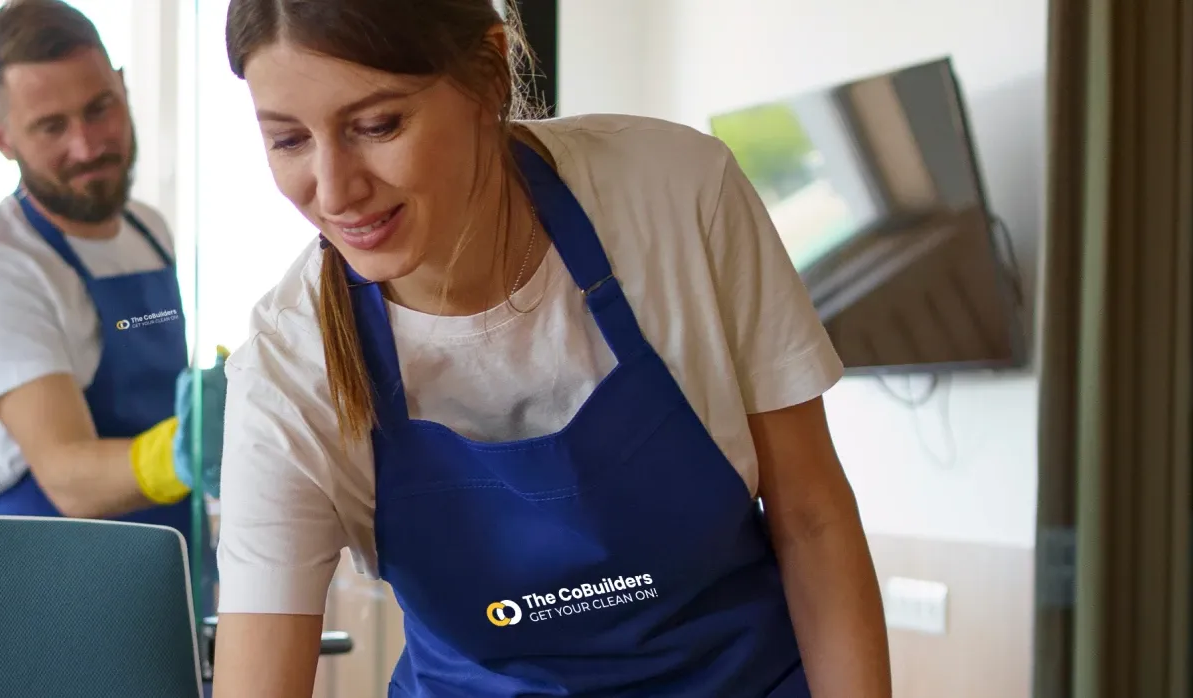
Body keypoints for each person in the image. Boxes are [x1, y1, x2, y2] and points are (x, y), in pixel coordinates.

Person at [205, 1, 893, 696]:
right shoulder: (288, 367)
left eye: (378, 125)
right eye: (289, 141)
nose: (335, 189)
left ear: (489, 73)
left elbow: (811, 520)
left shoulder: (675, 194)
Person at [0, 0, 226, 560]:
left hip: (164, 558)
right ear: (3, 140)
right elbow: (67, 475)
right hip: (44, 584)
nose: (88, 146)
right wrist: (187, 452)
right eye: (52, 126)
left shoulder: (150, 230)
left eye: (100, 109)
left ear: (121, 88)